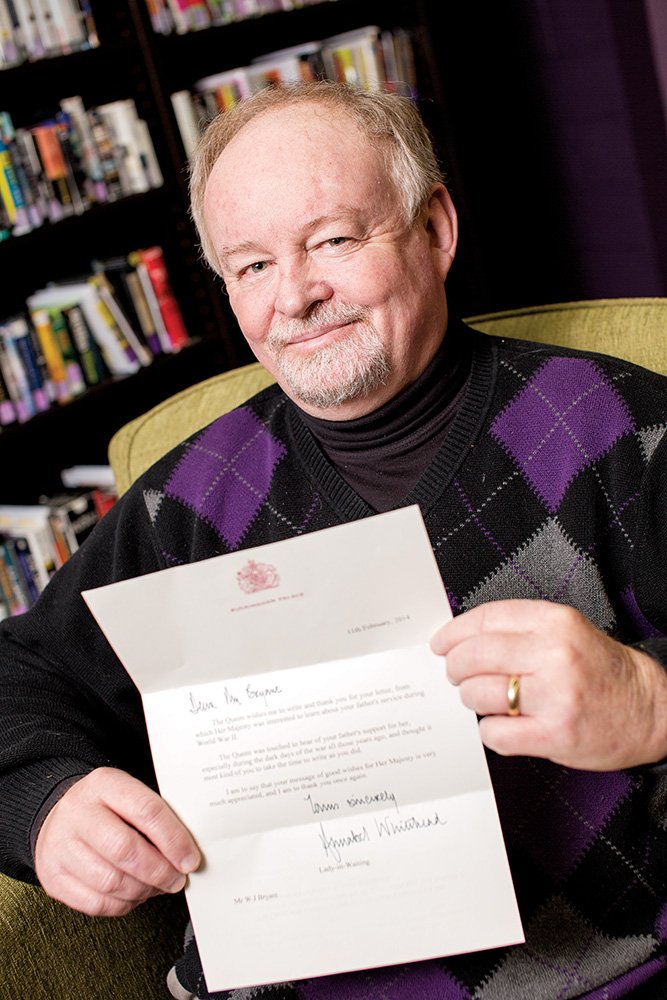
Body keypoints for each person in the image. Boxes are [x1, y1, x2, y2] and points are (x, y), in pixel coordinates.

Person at [0, 79, 666, 1000]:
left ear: (434, 229)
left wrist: (653, 705)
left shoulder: (626, 432)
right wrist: (43, 802)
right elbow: (18, 676)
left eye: (333, 241)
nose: (297, 298)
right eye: (252, 266)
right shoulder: (183, 504)